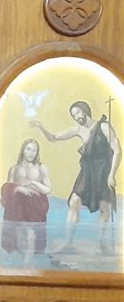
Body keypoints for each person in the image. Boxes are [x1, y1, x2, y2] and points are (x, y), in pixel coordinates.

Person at [32, 100, 120, 253]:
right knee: (74, 202)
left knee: (104, 208)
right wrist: (41, 127)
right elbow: (54, 138)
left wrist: (112, 174)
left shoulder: (104, 126)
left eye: (78, 112)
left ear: (85, 110)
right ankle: (68, 243)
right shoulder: (78, 130)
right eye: (73, 115)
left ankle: (100, 245)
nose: (77, 116)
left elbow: (117, 150)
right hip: (87, 172)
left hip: (103, 172)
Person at [0, 138, 51, 264]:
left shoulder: (41, 168)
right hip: (18, 205)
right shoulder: (14, 168)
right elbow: (7, 188)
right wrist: (18, 188)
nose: (31, 153)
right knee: (19, 234)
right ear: (23, 150)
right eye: (28, 149)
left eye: (34, 150)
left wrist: (33, 183)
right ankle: (21, 264)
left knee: (31, 234)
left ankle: (28, 264)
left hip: (34, 205)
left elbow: (48, 189)